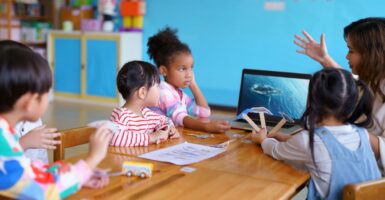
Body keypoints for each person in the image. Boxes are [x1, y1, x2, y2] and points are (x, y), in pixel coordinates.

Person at [0, 40, 112, 199]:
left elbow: (25, 169)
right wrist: (91, 160)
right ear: (30, 102)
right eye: (47, 90)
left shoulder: (5, 130)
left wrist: (76, 173)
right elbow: (43, 192)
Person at [252, 68, 381, 199]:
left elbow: (274, 150)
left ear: (312, 102)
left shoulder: (307, 141)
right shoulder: (363, 135)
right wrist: (287, 138)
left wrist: (262, 139)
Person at [294, 17, 385, 170]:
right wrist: (324, 59)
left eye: (351, 51)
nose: (346, 56)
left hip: (371, 184)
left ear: (371, 54)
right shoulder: (374, 81)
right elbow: (351, 85)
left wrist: (342, 129)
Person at [147, 27, 231, 133]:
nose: (189, 74)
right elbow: (180, 117)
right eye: (182, 69)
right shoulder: (163, 91)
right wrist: (207, 127)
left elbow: (204, 112)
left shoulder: (179, 94)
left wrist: (194, 85)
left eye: (191, 68)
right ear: (164, 70)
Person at [110, 60, 180, 147]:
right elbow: (115, 138)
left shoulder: (146, 113)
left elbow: (165, 120)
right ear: (142, 92)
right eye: (157, 86)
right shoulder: (122, 116)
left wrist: (168, 129)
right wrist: (150, 137)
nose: (160, 91)